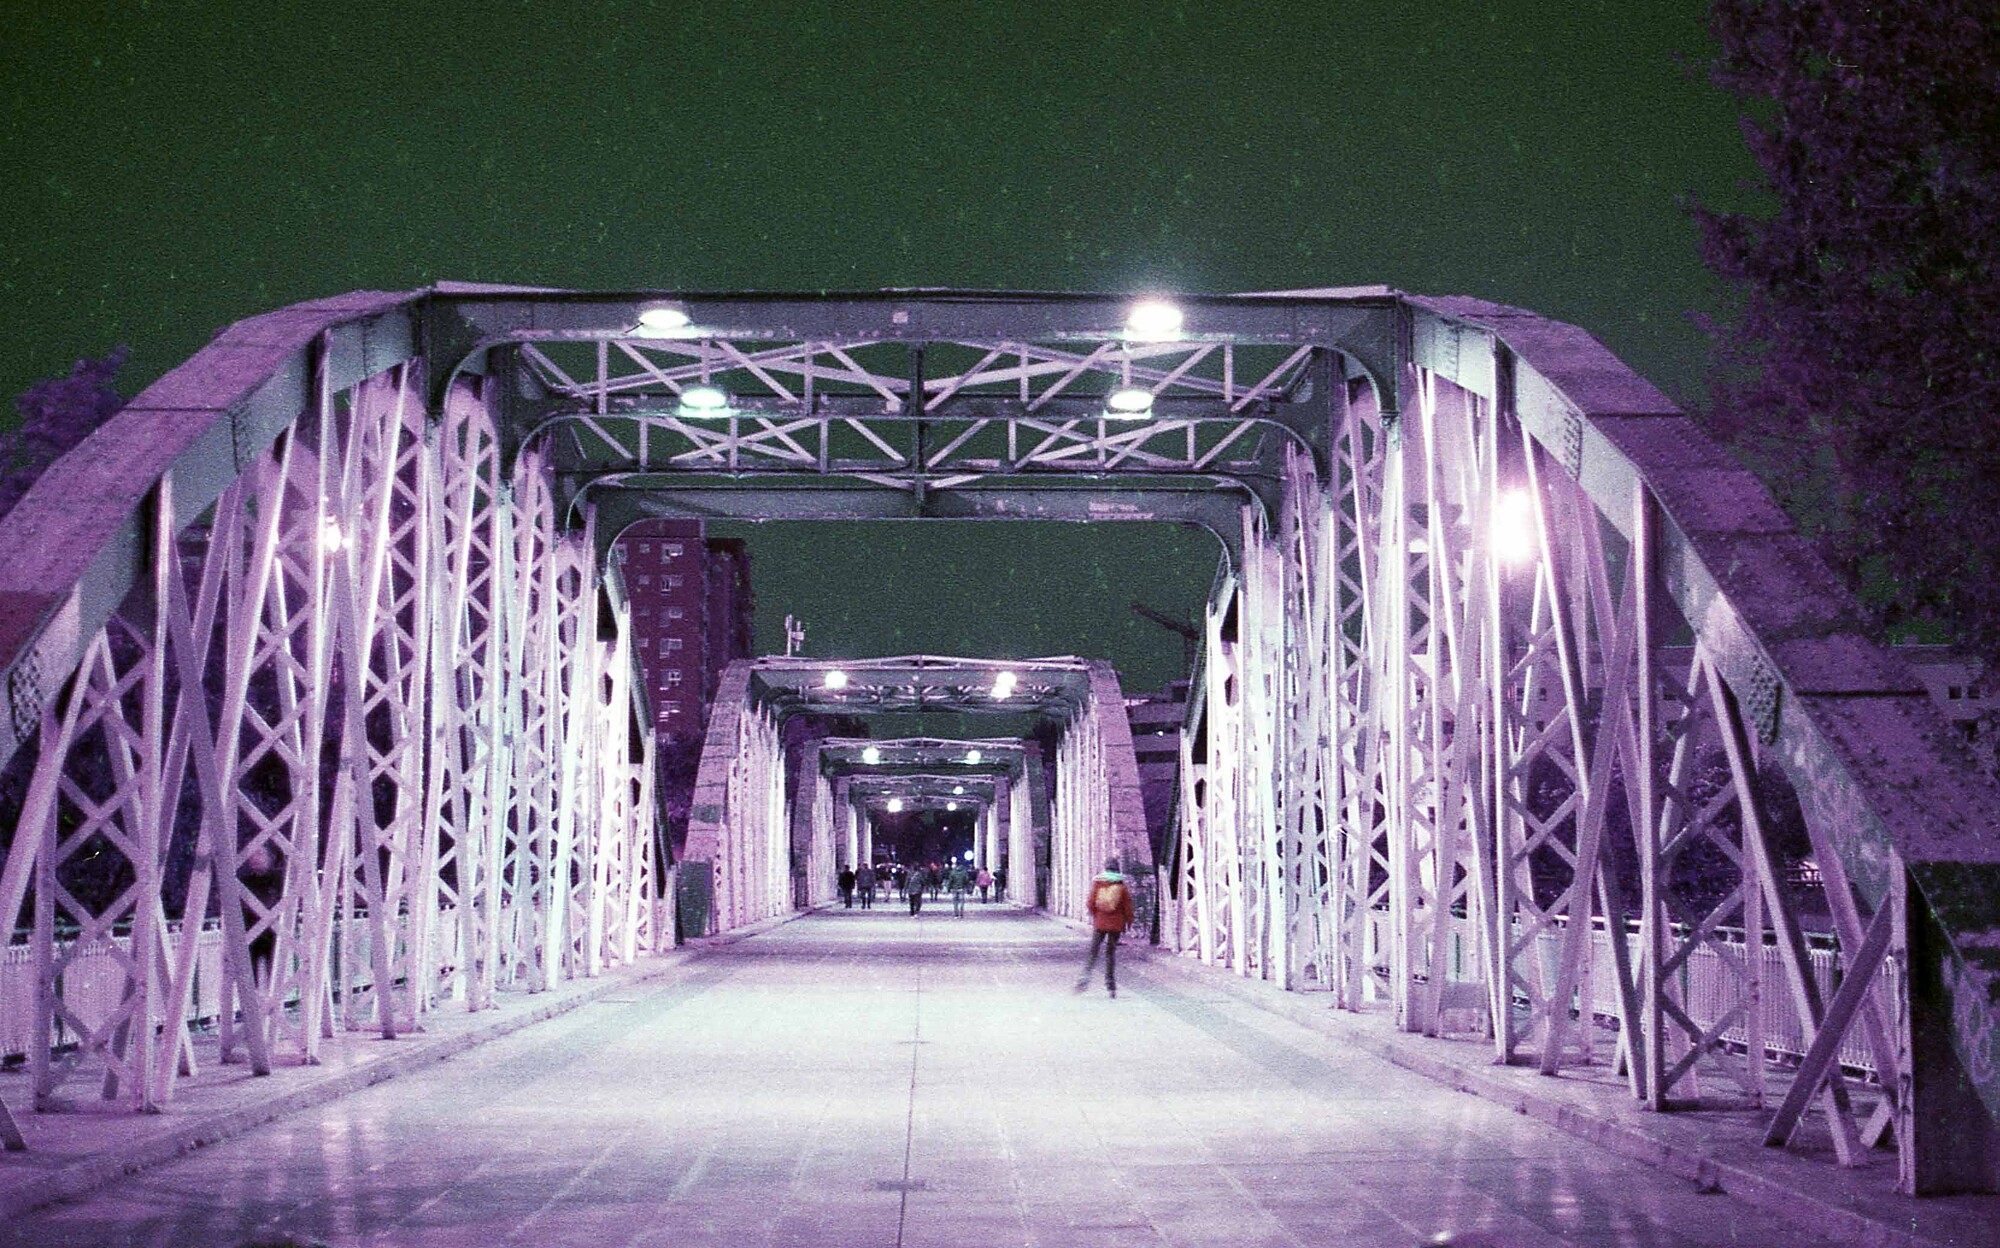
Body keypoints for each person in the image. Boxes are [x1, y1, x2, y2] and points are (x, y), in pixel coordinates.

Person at [1075, 856, 1134, 998]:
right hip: (1116, 924)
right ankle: (1110, 985)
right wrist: (1128, 923)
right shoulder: (1121, 885)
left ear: (1105, 867)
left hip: (1100, 923)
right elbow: (1128, 908)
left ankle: (1085, 975)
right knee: (1110, 953)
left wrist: (1095, 915)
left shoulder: (1098, 883)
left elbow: (1090, 902)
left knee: (1093, 951)